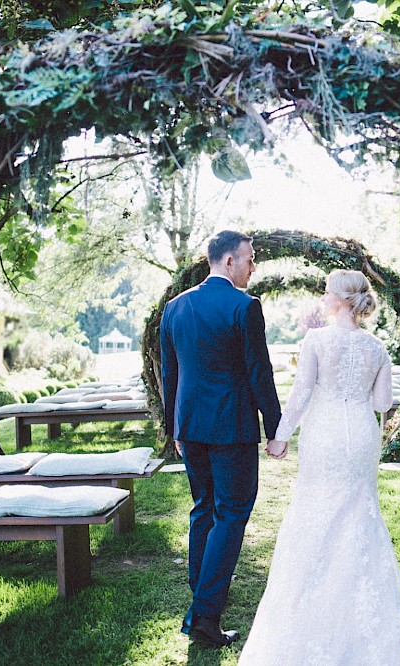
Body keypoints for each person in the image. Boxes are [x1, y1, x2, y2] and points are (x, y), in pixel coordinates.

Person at [238, 269, 400, 665]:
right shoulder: (377, 348)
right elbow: (381, 403)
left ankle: (312, 606)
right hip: (360, 435)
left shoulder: (316, 341)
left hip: (324, 433)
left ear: (341, 299)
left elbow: (302, 393)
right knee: (360, 512)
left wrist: (281, 435)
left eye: (326, 293)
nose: (322, 298)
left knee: (315, 510)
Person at [160, 230, 285, 648]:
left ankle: (202, 600)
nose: (253, 267)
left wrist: (173, 427)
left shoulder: (174, 308)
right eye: (250, 259)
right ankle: (205, 616)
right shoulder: (245, 307)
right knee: (231, 515)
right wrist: (275, 428)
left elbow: (169, 376)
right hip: (231, 429)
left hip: (191, 427)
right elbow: (259, 373)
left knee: (204, 510)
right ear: (228, 261)